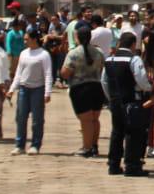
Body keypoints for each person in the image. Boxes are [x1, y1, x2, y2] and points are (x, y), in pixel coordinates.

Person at [103, 32, 152, 177]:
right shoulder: (134, 59)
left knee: (117, 132)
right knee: (133, 133)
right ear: (133, 44)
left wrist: (111, 97)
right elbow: (141, 79)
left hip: (115, 102)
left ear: (119, 43)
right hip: (132, 100)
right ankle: (132, 165)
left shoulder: (109, 59)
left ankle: (113, 165)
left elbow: (104, 81)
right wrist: (149, 89)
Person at [6, 28, 54, 156]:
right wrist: (11, 89)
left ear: (34, 39)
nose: (25, 41)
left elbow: (48, 74)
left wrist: (47, 92)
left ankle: (35, 145)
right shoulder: (23, 54)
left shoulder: (44, 55)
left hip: (38, 89)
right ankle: (19, 145)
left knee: (37, 119)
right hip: (23, 88)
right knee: (20, 118)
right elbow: (18, 73)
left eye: (26, 39)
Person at [61, 25, 106, 158]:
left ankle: (87, 148)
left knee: (86, 121)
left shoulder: (74, 53)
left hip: (80, 89)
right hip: (97, 87)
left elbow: (65, 73)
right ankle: (94, 146)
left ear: (77, 37)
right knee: (95, 119)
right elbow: (102, 68)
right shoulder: (99, 52)